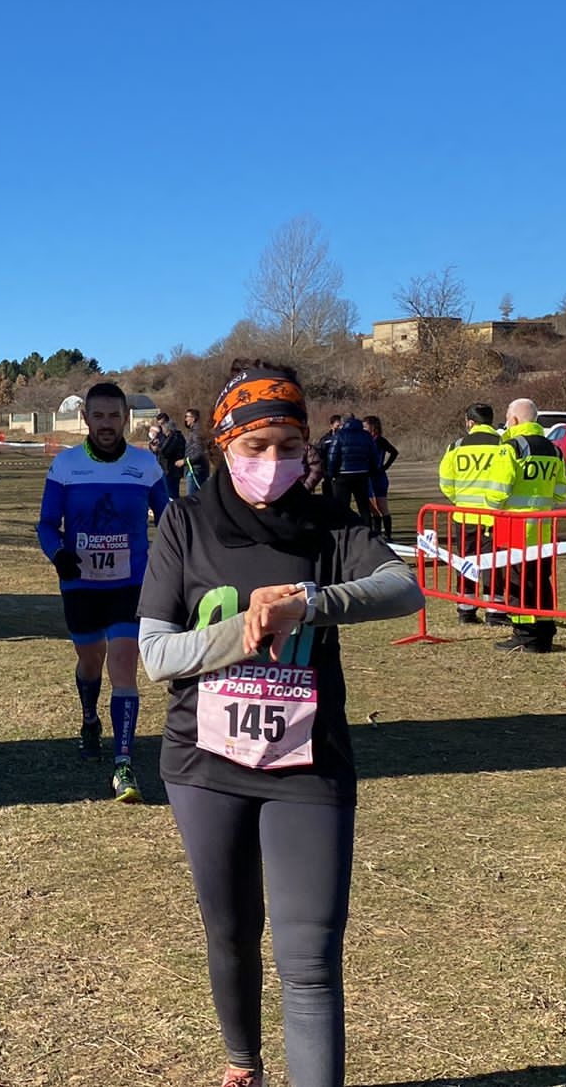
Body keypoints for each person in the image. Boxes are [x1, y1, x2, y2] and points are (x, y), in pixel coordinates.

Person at [138, 360, 423, 1087]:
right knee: (231, 933)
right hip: (204, 766)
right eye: (255, 446)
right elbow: (155, 655)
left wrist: (309, 602)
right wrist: (244, 630)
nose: (272, 463)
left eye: (289, 447)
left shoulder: (329, 523)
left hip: (309, 768)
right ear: (223, 445)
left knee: (309, 960)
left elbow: (403, 588)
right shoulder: (185, 522)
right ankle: (243, 1062)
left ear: (308, 450)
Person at [37, 381, 171, 802]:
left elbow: (171, 522)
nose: (107, 424)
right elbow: (45, 524)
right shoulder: (65, 466)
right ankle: (89, 719)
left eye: (115, 416)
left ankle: (123, 764)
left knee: (125, 666)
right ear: (85, 420)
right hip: (80, 585)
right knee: (90, 661)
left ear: (126, 418)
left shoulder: (146, 466)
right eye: (99, 416)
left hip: (130, 584)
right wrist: (58, 554)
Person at [491, 399, 566, 652]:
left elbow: (497, 492)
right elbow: (559, 492)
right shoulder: (554, 449)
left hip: (514, 526)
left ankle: (524, 634)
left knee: (517, 583)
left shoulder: (511, 447)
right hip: (544, 527)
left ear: (513, 420)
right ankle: (545, 633)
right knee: (541, 581)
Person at [438, 403, 515, 626]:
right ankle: (495, 612)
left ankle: (466, 611)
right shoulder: (503, 445)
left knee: (464, 562)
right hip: (495, 517)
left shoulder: (456, 447)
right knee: (494, 564)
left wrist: (459, 499)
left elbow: (446, 483)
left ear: (469, 422)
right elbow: (509, 479)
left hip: (464, 516)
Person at [319, 414, 377, 521]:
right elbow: (374, 455)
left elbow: (333, 456)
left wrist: (331, 474)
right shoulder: (366, 435)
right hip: (362, 474)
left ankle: (345, 531)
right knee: (364, 507)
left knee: (342, 507)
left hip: (343, 475)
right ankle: (368, 531)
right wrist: (371, 471)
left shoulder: (339, 435)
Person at [362, 416, 399, 539]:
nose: (363, 428)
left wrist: (385, 466)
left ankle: (388, 535)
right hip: (368, 477)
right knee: (373, 508)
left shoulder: (380, 441)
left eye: (365, 426)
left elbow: (394, 452)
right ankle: (377, 535)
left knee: (383, 507)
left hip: (379, 477)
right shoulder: (364, 440)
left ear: (373, 427)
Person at [154, 413, 188, 502]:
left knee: (172, 496)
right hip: (163, 469)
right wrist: (154, 447)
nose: (162, 427)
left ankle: (176, 514)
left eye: (163, 424)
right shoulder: (161, 435)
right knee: (165, 495)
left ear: (168, 423)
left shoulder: (176, 436)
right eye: (160, 424)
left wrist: (157, 449)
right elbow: (154, 445)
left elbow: (166, 452)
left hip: (172, 471)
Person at [181, 407, 212, 493]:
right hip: (196, 468)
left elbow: (199, 452)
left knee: (192, 499)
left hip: (195, 470)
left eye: (187, 416)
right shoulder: (194, 431)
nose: (185, 419)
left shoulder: (197, 432)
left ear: (193, 418)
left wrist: (185, 461)